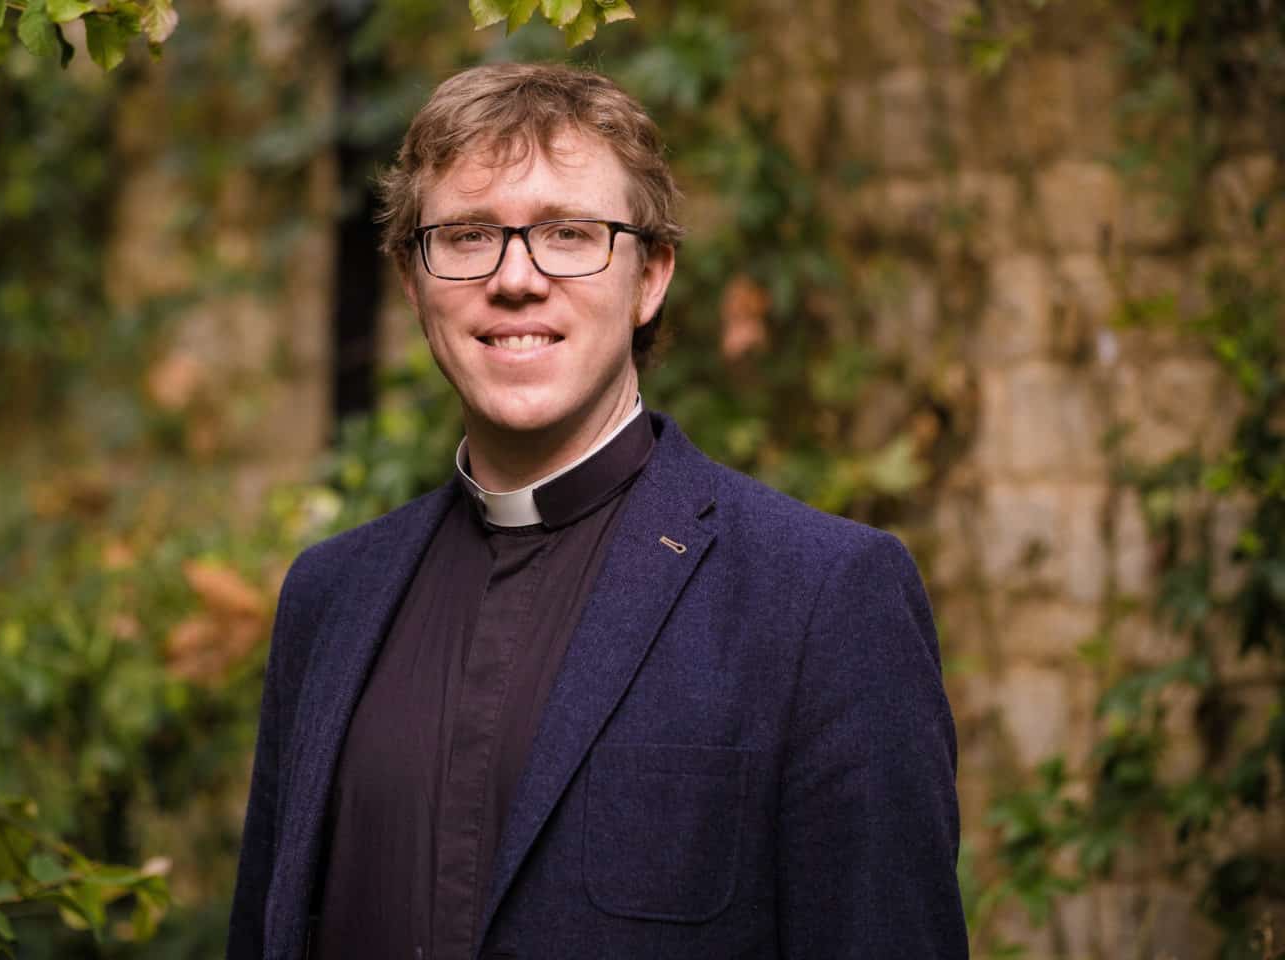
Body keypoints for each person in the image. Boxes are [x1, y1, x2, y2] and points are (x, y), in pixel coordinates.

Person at [227, 62, 967, 960]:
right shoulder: (329, 598)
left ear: (651, 275)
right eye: (466, 236)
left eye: (569, 234)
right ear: (411, 281)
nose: (516, 279)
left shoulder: (820, 600)